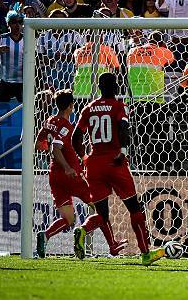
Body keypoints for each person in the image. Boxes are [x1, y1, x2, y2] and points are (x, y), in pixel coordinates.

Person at [71, 73, 166, 266]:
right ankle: (145, 252)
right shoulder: (118, 106)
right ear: (115, 87)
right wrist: (122, 151)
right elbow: (124, 128)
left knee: (102, 214)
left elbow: (75, 137)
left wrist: (84, 157)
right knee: (134, 208)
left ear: (98, 87)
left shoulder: (88, 108)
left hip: (94, 165)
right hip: (115, 162)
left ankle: (83, 229)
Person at [35, 89, 128, 258]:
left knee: (68, 219)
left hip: (54, 177)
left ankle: (45, 235)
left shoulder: (49, 121)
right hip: (72, 176)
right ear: (71, 106)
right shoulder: (66, 126)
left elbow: (39, 144)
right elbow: (56, 149)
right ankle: (106, 242)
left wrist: (52, 151)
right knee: (100, 210)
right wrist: (67, 167)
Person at [127, 31, 175, 103]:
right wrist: (164, 47)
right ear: (162, 43)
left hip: (134, 97)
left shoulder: (132, 51)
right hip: (154, 98)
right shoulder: (162, 52)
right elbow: (172, 60)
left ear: (147, 40)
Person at [0, 11, 24, 102]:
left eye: (20, 22)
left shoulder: (28, 39)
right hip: (5, 81)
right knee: (0, 108)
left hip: (22, 82)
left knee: (24, 109)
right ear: (8, 24)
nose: (17, 25)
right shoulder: (2, 38)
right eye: (14, 22)